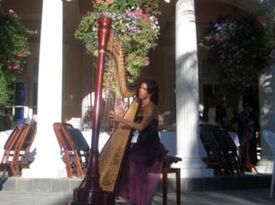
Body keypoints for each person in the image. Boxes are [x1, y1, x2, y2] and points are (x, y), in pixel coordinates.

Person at [109, 79, 167, 205]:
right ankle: (132, 196)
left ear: (150, 92)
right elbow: (133, 123)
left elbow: (141, 127)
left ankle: (138, 198)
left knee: (132, 159)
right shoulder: (139, 106)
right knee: (126, 157)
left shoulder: (151, 107)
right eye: (140, 88)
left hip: (151, 146)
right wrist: (122, 114)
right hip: (141, 144)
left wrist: (120, 119)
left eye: (144, 89)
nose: (140, 91)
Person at [237, 101, 260, 173]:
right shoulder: (241, 115)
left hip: (251, 133)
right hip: (244, 134)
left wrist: (257, 131)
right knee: (243, 148)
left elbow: (256, 123)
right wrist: (250, 122)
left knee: (252, 148)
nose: (248, 108)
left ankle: (252, 163)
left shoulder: (252, 114)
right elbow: (244, 123)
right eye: (246, 106)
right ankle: (244, 164)